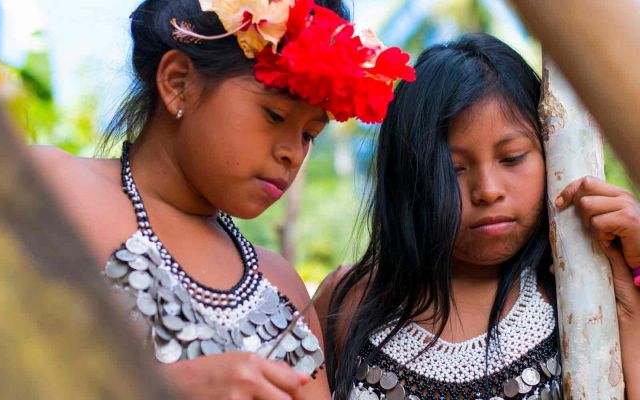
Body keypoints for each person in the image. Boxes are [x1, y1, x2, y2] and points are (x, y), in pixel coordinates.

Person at [30, 0, 414, 399]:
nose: (293, 153)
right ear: (179, 83)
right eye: (274, 116)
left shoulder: (283, 287)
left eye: (309, 135)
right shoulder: (52, 189)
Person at [316, 33, 640, 400]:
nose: (487, 190)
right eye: (454, 169)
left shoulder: (588, 291)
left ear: (549, 154)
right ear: (407, 177)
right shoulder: (348, 304)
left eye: (512, 158)